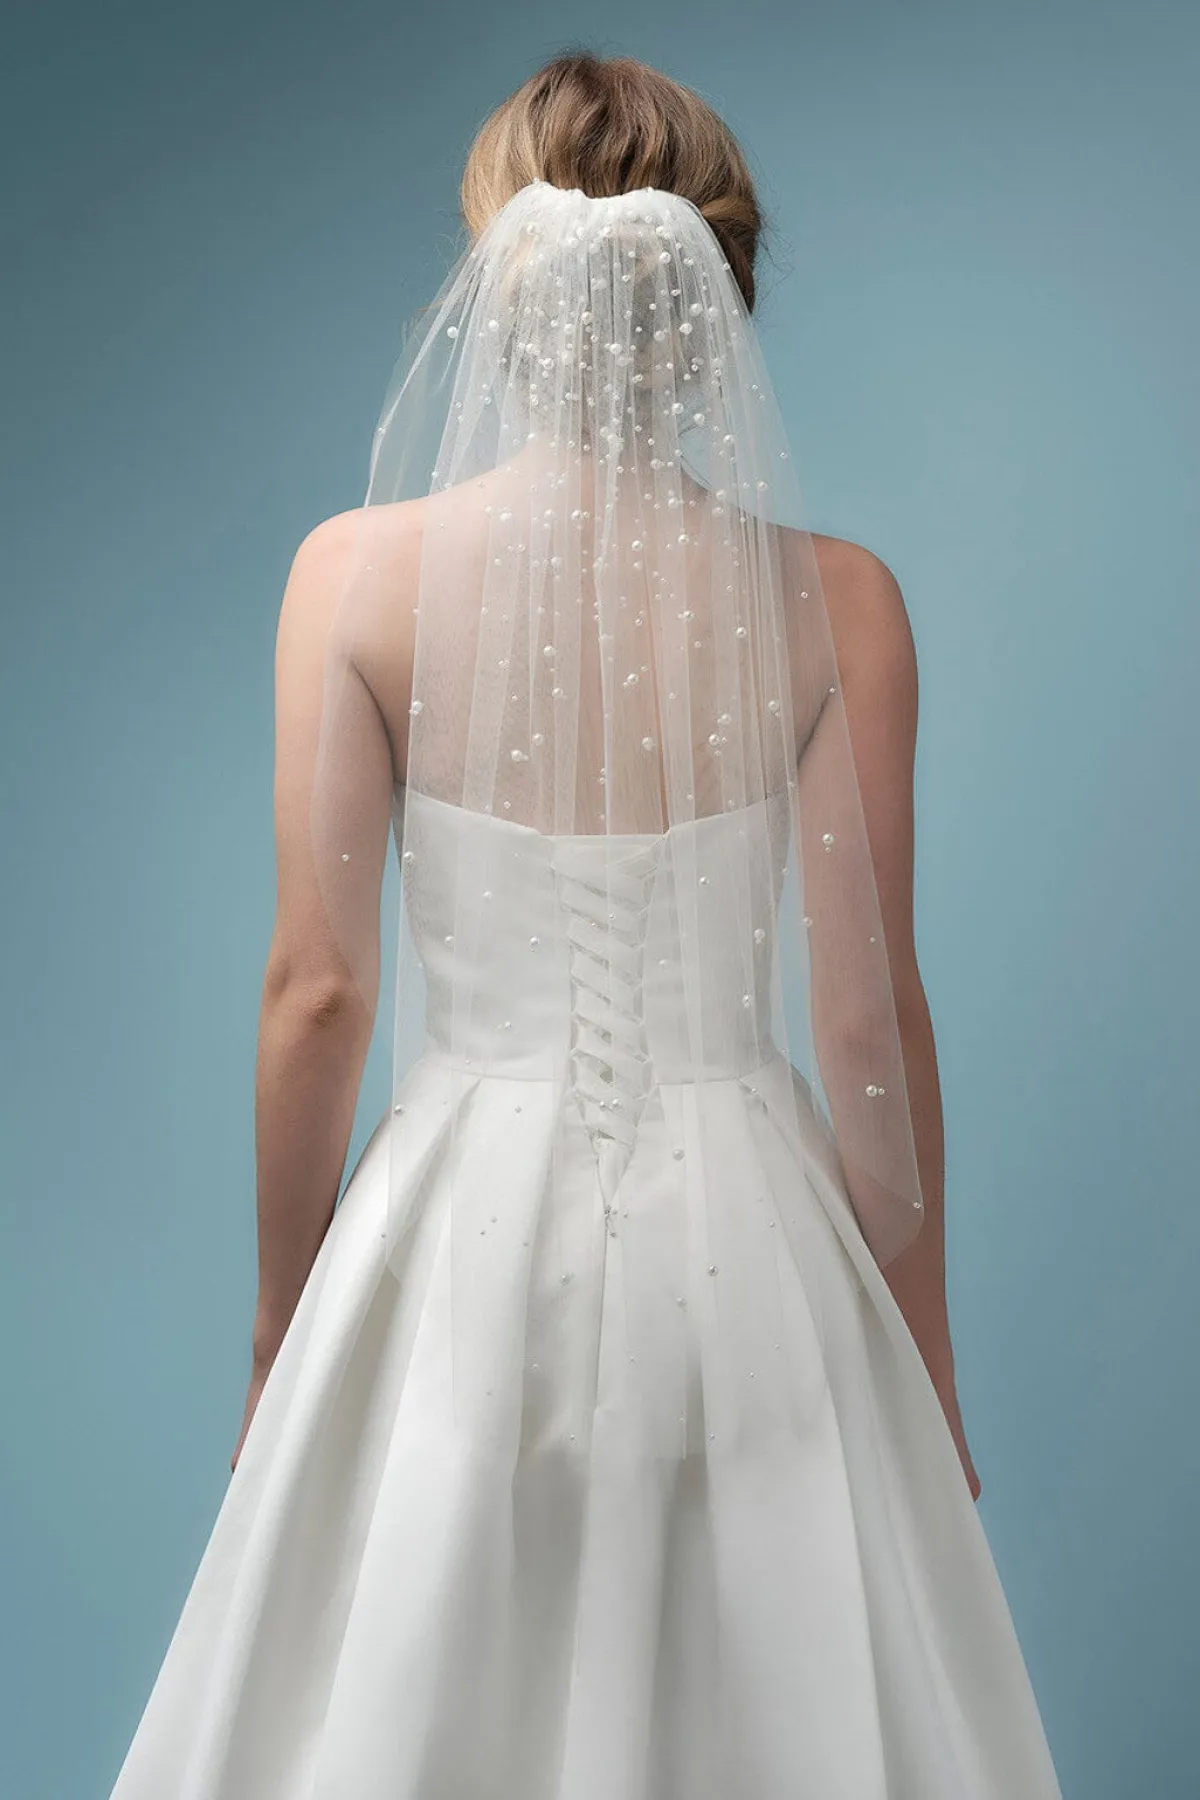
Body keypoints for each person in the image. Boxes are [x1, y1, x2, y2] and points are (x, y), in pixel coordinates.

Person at [109, 51, 1063, 1800]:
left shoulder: (351, 578)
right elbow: (866, 1025)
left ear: (499, 280)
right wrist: (920, 1353)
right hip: (750, 1240)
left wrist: (281, 1328)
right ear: (716, 285)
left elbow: (318, 992)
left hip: (454, 1235)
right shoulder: (841, 604)